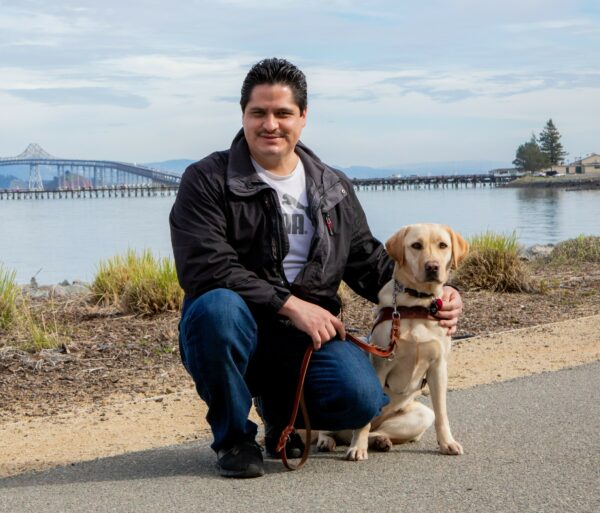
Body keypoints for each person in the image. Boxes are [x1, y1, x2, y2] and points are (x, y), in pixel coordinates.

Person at [169, 58, 463, 478]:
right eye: (259, 113)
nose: (270, 124)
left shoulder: (333, 186)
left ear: (303, 118)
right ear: (243, 116)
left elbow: (372, 264)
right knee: (217, 309)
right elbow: (204, 266)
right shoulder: (206, 179)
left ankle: (282, 419)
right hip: (234, 326)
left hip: (305, 340)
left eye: (283, 113)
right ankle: (234, 440)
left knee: (362, 398)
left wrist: (437, 293)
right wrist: (288, 303)